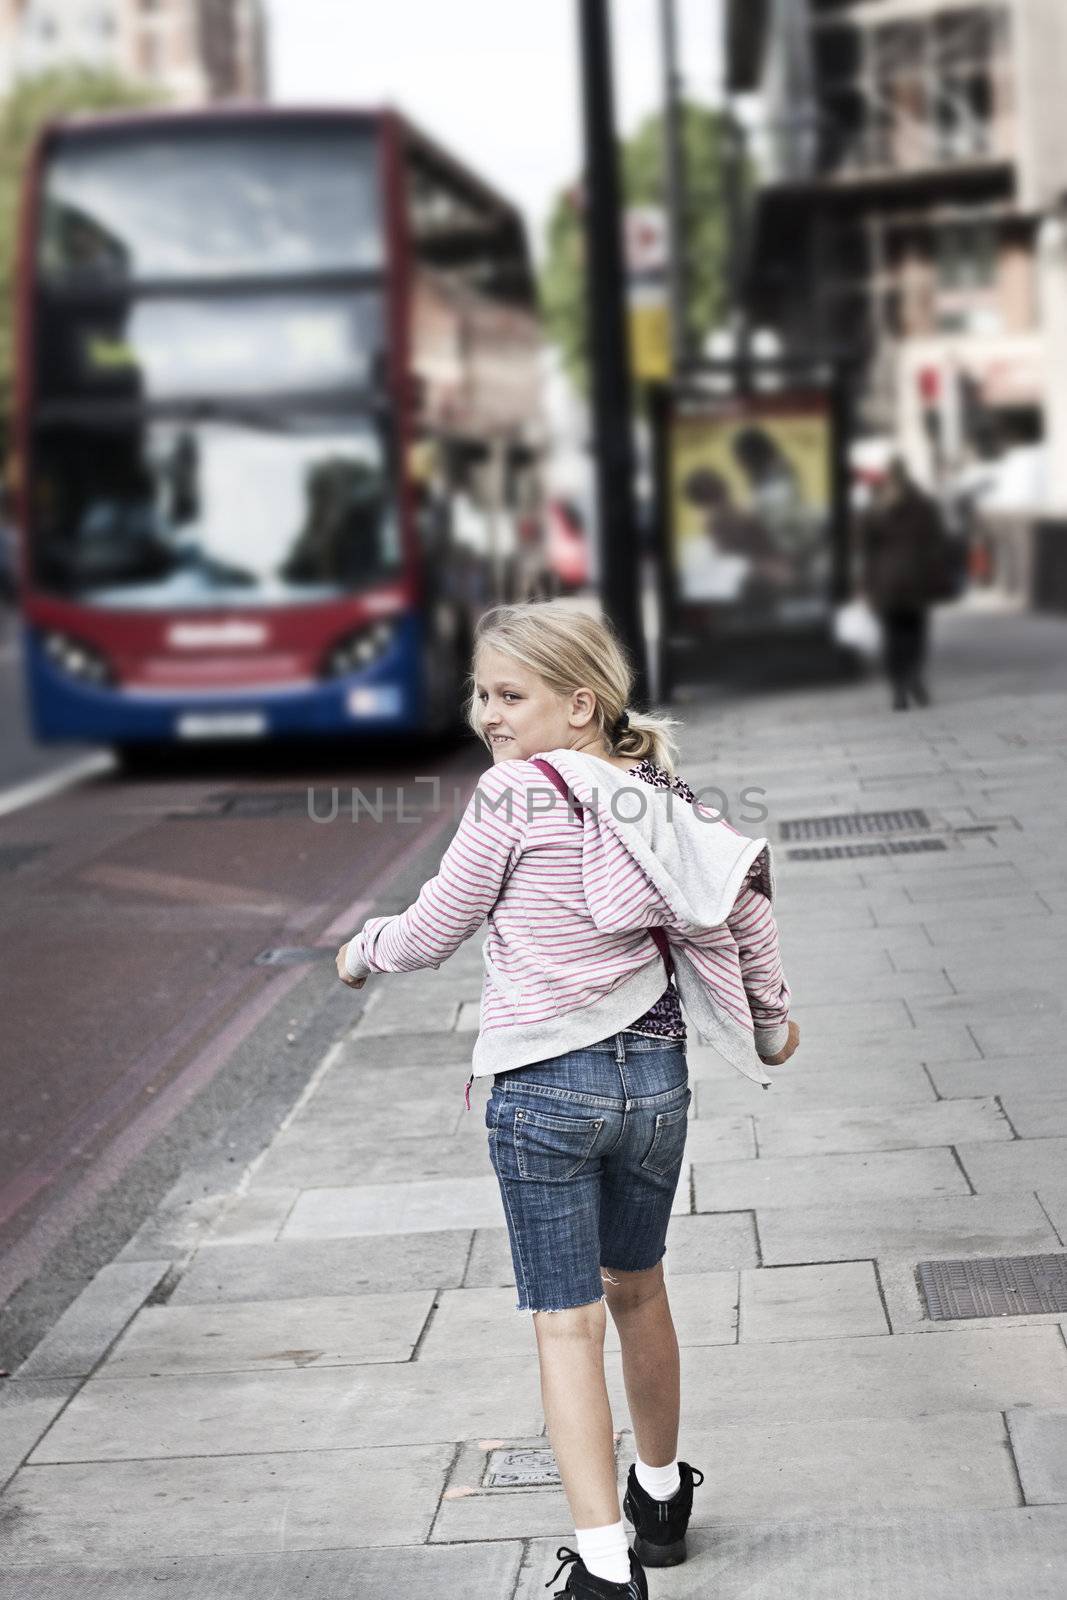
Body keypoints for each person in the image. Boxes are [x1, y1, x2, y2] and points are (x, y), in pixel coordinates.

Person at [335, 600, 799, 1599]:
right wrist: (769, 1021)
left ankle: (600, 1568)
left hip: (547, 1087)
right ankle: (661, 1499)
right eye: (480, 692)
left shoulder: (509, 796)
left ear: (577, 702)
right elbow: (741, 893)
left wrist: (359, 951)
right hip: (655, 1083)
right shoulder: (648, 789)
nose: (486, 716)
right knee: (640, 1286)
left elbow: (428, 932)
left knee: (565, 1323)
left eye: (508, 694)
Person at [860, 457, 946, 711]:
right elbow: (936, 540)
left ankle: (899, 689)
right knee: (915, 633)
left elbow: (867, 549)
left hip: (885, 579)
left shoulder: (876, 508)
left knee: (892, 636)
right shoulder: (923, 504)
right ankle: (913, 676)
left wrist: (866, 584)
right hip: (916, 577)